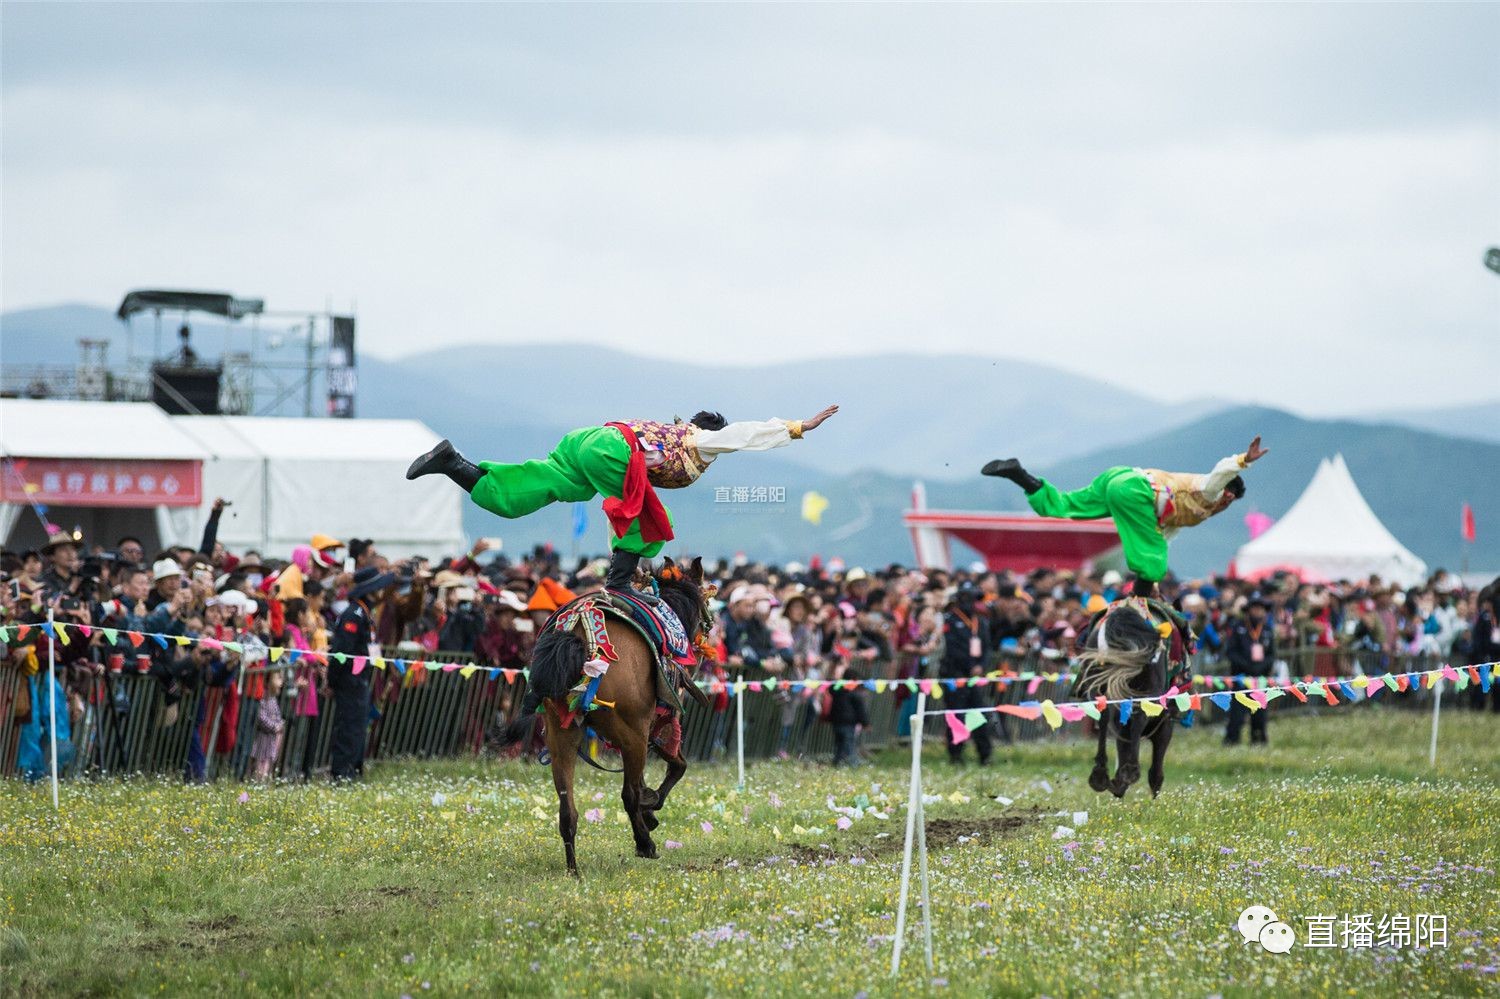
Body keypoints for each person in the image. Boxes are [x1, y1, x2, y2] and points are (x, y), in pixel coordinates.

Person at [406, 405, 839, 591]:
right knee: (652, 519)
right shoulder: (702, 440)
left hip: (588, 440)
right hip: (613, 449)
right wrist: (797, 427)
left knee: (539, 490)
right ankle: (618, 585)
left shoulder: (668, 432)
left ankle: (453, 463)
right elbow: (742, 435)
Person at [982, 437, 1269, 594]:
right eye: (1228, 497)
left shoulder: (1192, 511)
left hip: (1119, 478)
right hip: (1135, 491)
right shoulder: (1208, 490)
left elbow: (1163, 537)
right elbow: (1220, 473)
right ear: (1226, 493)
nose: (1225, 502)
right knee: (1153, 566)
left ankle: (1018, 474)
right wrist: (1243, 461)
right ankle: (1139, 600)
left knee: (1063, 506)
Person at [327, 565, 394, 782]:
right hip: (349, 681)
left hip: (361, 681)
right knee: (348, 728)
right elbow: (340, 653)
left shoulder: (365, 613)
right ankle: (341, 773)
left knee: (358, 727)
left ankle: (354, 770)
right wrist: (332, 681)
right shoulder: (353, 614)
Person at [940, 582, 993, 765]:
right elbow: (952, 649)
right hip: (955, 676)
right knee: (957, 717)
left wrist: (980, 666)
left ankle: (985, 754)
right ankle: (956, 755)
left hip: (974, 678)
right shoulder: (951, 621)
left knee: (979, 715)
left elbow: (987, 649)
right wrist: (970, 665)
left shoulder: (981, 623)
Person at [1224, 594, 1275, 746]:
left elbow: (1272, 654)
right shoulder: (1238, 627)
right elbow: (1231, 652)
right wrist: (1246, 666)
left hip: (1260, 679)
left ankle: (1258, 739)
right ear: (1249, 610)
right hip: (1241, 677)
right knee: (1237, 713)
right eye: (1255, 609)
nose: (1258, 612)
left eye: (1261, 609)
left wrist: (1261, 667)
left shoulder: (1267, 629)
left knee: (1259, 712)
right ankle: (1232, 740)